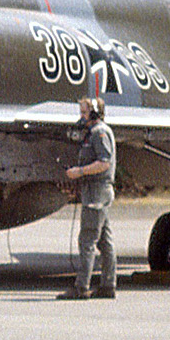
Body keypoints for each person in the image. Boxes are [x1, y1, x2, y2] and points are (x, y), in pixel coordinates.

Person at [59, 97, 117, 299]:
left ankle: (81, 287)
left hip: (96, 193)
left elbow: (104, 163)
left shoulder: (99, 133)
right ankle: (108, 285)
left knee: (87, 240)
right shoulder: (93, 133)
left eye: (84, 112)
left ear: (93, 113)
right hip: (95, 191)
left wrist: (80, 172)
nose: (81, 116)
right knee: (104, 240)